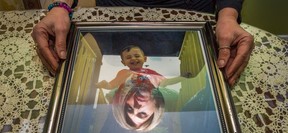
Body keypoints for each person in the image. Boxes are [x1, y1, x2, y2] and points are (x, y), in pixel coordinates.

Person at [31, 0, 254, 86]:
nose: (135, 59)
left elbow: (163, 82)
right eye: (129, 58)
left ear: (145, 59)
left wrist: (227, 15)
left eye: (137, 57)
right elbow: (111, 84)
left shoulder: (153, 71)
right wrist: (61, 6)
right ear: (122, 60)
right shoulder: (121, 72)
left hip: (189, 20)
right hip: (114, 18)